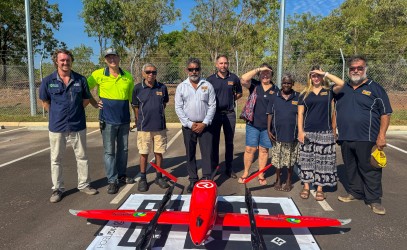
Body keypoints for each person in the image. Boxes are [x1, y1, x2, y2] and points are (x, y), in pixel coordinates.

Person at [335, 55, 392, 215]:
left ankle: (374, 200)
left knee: (370, 169)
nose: (356, 71)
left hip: (367, 138)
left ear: (365, 69)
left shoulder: (375, 88)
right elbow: (333, 108)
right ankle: (355, 192)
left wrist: (382, 135)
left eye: (359, 68)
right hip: (345, 137)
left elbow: (386, 113)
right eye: (353, 68)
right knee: (351, 167)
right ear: (349, 70)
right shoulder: (342, 88)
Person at [39, 48, 98, 203]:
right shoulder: (48, 81)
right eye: (62, 60)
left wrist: (76, 111)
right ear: (56, 62)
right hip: (57, 126)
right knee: (56, 158)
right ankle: (57, 188)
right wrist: (57, 114)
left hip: (77, 124)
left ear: (71, 61)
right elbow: (45, 102)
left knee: (82, 156)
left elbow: (86, 99)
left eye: (67, 59)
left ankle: (84, 185)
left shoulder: (80, 79)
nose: (65, 62)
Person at [87, 48, 135, 194]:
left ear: (119, 58)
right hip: (107, 120)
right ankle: (112, 180)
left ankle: (121, 175)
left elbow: (131, 99)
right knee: (109, 151)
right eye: (109, 57)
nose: (112, 59)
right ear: (105, 59)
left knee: (124, 150)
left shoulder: (127, 76)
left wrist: (135, 117)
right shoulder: (98, 74)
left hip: (124, 120)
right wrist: (94, 103)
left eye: (114, 56)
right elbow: (84, 88)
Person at [297, 66, 345, 201]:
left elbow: (341, 83)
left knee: (323, 161)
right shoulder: (304, 94)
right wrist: (300, 131)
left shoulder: (329, 91)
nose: (316, 78)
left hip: (325, 132)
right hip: (308, 132)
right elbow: (300, 114)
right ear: (310, 78)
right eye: (313, 75)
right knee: (306, 160)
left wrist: (325, 73)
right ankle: (306, 186)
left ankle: (320, 188)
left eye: (318, 75)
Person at [175, 58, 216, 193]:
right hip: (189, 127)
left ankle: (207, 179)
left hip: (205, 126)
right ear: (187, 70)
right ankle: (193, 179)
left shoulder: (207, 85)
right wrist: (190, 124)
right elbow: (178, 108)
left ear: (200, 69)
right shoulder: (181, 86)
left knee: (207, 153)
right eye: (191, 69)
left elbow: (212, 105)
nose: (194, 71)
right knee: (190, 154)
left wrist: (204, 123)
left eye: (196, 69)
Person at [131, 63, 170, 192]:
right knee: (144, 153)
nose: (151, 74)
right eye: (148, 72)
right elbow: (135, 106)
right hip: (144, 127)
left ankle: (159, 177)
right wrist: (139, 119)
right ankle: (143, 178)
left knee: (159, 152)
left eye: (153, 72)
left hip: (159, 126)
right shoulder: (137, 88)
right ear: (143, 73)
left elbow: (163, 104)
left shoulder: (162, 87)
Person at [239, 63, 278, 186]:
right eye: (263, 73)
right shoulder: (255, 85)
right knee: (250, 149)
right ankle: (246, 172)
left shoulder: (276, 90)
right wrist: (258, 69)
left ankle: (261, 174)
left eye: (268, 73)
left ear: (272, 75)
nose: (265, 75)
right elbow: (243, 79)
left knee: (263, 150)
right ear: (260, 74)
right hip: (253, 124)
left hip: (267, 127)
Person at [206, 55, 243, 179]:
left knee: (229, 143)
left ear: (228, 64)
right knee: (214, 143)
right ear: (216, 65)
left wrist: (230, 100)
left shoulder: (234, 78)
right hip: (214, 115)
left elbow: (239, 93)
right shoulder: (210, 79)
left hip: (229, 114)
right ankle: (214, 169)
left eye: (225, 63)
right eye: (221, 63)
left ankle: (229, 168)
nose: (223, 65)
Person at [267, 74, 299, 192]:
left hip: (292, 135)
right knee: (278, 161)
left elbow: (301, 115)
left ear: (292, 84)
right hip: (277, 134)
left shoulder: (298, 97)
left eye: (289, 83)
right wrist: (268, 130)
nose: (286, 85)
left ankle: (289, 181)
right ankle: (278, 180)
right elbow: (270, 114)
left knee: (290, 161)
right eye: (284, 83)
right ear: (281, 83)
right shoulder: (274, 97)